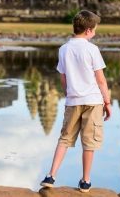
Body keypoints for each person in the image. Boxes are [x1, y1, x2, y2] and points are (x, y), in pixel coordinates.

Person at [40, 10, 112, 193]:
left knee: (64, 138)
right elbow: (101, 80)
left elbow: (63, 78)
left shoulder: (63, 49)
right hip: (93, 101)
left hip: (73, 101)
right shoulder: (92, 49)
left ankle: (51, 175)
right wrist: (108, 102)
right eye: (94, 29)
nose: (95, 33)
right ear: (88, 30)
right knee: (89, 142)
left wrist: (69, 94)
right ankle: (85, 180)